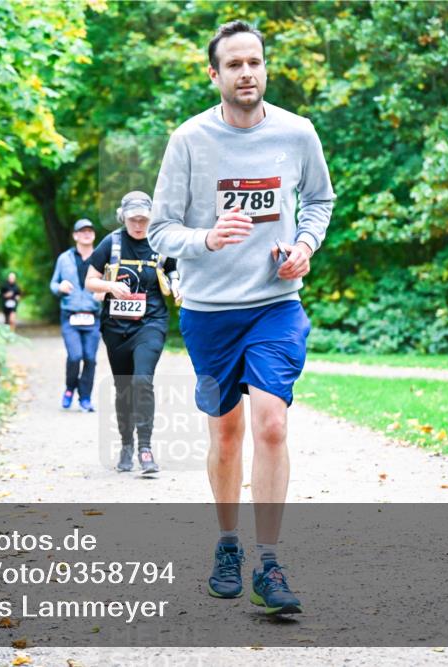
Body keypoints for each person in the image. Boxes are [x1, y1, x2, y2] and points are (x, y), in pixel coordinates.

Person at [147, 20, 336, 614]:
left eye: (254, 61)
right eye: (234, 64)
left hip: (276, 305)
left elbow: (321, 201)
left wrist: (303, 246)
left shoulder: (296, 133)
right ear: (215, 74)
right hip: (208, 313)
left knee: (272, 425)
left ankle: (271, 563)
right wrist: (207, 238)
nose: (246, 72)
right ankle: (227, 545)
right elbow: (160, 230)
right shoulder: (189, 140)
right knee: (226, 434)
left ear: (265, 67)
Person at [85, 191, 180, 475]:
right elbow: (90, 281)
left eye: (144, 219)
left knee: (142, 381)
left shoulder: (161, 243)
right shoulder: (111, 243)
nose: (139, 224)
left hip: (150, 323)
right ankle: (126, 445)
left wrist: (178, 287)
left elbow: (175, 272)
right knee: (124, 387)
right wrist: (110, 287)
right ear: (123, 218)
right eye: (133, 219)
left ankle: (145, 448)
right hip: (115, 327)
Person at [49, 218, 103, 412]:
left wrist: (104, 291)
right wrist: (60, 287)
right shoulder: (64, 258)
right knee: (75, 356)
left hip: (92, 316)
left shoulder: (101, 257)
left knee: (90, 358)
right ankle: (70, 388)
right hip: (70, 316)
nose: (86, 234)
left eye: (90, 230)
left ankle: (85, 398)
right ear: (75, 235)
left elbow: (111, 283)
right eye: (82, 231)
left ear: (94, 235)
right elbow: (53, 284)